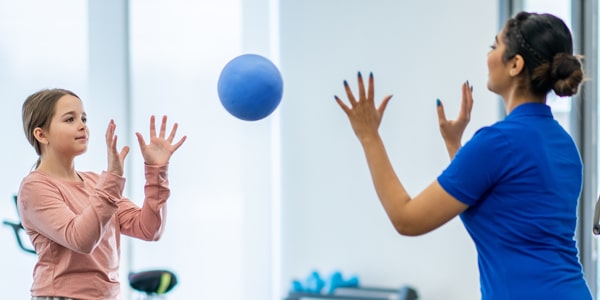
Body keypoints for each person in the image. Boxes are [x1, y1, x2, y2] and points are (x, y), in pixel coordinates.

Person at [334, 11, 591, 299]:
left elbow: (406, 218)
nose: (488, 55)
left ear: (515, 65)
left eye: (495, 47)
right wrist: (456, 146)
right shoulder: (564, 145)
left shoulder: (497, 142)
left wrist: (369, 136)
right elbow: (504, 210)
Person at [18, 88, 186, 300]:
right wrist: (113, 178)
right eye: (70, 119)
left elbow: (149, 229)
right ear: (41, 134)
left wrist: (156, 173)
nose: (82, 126)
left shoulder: (97, 182)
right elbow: (81, 240)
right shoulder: (35, 187)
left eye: (84, 119)